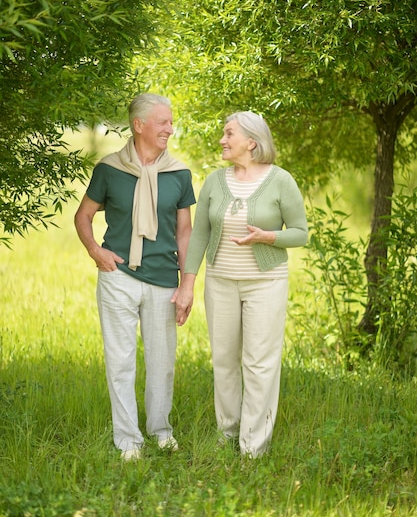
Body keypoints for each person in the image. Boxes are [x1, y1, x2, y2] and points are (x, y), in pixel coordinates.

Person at [173, 111, 308, 458]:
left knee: (259, 362)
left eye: (228, 133)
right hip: (220, 282)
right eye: (223, 133)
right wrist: (187, 284)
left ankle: (253, 446)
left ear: (251, 141)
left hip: (265, 283)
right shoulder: (216, 182)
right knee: (224, 360)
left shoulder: (280, 180)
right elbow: (200, 232)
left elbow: (300, 233)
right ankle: (227, 433)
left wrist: (269, 236)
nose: (222, 139)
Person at [74, 93, 195, 460]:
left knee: (162, 362)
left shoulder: (179, 173)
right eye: (163, 123)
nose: (170, 130)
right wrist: (96, 251)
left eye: (171, 123)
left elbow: (185, 231)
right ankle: (128, 440)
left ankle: (161, 431)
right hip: (118, 276)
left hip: (163, 280)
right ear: (139, 125)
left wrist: (187, 284)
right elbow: (83, 216)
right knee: (120, 361)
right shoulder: (110, 169)